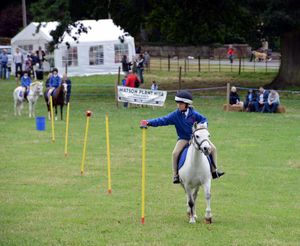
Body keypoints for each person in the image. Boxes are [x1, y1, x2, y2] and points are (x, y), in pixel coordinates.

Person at [140, 90, 225, 184]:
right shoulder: (175, 115)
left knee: (213, 149)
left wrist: (202, 125)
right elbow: (162, 120)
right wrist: (149, 122)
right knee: (175, 153)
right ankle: (176, 175)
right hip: (184, 139)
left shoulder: (194, 114)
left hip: (197, 139)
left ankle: (214, 171)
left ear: (187, 104)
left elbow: (204, 120)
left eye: (180, 103)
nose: (178, 105)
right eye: (177, 103)